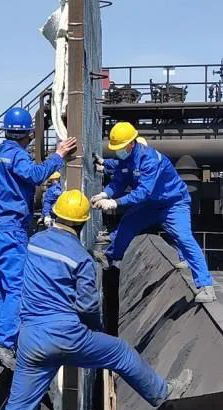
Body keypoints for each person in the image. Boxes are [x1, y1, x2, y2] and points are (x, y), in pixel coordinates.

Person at [0, 190, 193, 410]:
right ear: (82, 223)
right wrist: (96, 329)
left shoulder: (34, 243)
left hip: (31, 338)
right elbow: (88, 306)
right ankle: (162, 393)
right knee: (120, 352)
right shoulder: (81, 258)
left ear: (56, 214)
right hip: (66, 335)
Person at [0, 107, 77, 369]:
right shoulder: (17, 155)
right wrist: (58, 156)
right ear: (28, 134)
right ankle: (3, 342)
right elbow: (35, 175)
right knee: (18, 287)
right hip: (12, 230)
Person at [91, 122, 215, 302]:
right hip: (151, 204)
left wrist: (114, 203)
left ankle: (206, 286)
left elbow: (142, 192)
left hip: (173, 203)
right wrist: (105, 194)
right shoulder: (127, 159)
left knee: (183, 237)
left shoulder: (150, 159)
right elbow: (118, 181)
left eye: (120, 147)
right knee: (128, 223)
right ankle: (110, 258)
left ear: (131, 143)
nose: (118, 151)